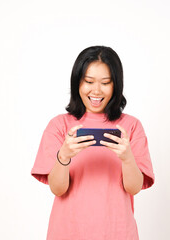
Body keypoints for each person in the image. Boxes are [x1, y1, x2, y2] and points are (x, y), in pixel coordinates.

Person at [31, 46, 154, 240]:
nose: (96, 90)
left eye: (105, 83)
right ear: (77, 83)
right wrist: (64, 156)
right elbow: (58, 189)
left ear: (116, 85)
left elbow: (134, 188)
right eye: (89, 81)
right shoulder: (59, 126)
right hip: (68, 232)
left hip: (118, 232)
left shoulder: (131, 126)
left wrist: (127, 158)